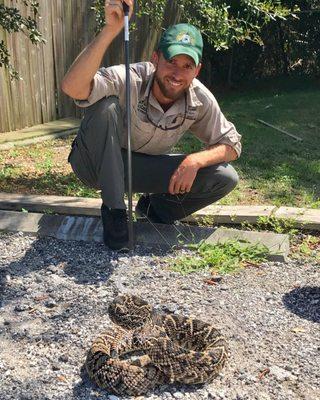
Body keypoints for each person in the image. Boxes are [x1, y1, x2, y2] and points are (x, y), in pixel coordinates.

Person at [61, 0, 242, 251]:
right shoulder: (130, 77)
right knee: (106, 106)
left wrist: (194, 161)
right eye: (171, 62)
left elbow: (232, 144)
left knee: (224, 177)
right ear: (155, 58)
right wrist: (110, 29)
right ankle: (115, 213)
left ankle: (154, 210)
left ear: (197, 70)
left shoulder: (199, 98)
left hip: (136, 168)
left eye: (187, 66)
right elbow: (73, 88)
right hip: (93, 165)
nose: (177, 74)